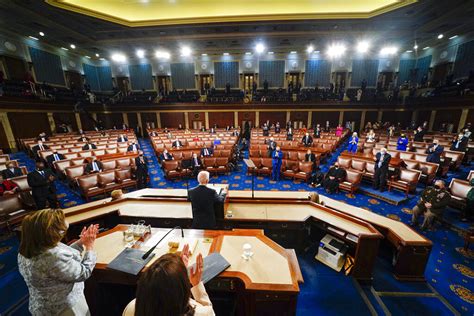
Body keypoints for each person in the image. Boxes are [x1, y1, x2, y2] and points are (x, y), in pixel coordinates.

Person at [18, 209, 98, 315]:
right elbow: (84, 272)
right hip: (64, 308)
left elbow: (61, 256)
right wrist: (89, 247)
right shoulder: (52, 256)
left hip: (41, 304)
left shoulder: (29, 248)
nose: (62, 233)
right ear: (50, 233)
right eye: (61, 231)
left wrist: (81, 242)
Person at [123, 250, 214, 316]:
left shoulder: (131, 308)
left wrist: (179, 273)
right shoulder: (203, 313)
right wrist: (197, 284)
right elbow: (209, 312)